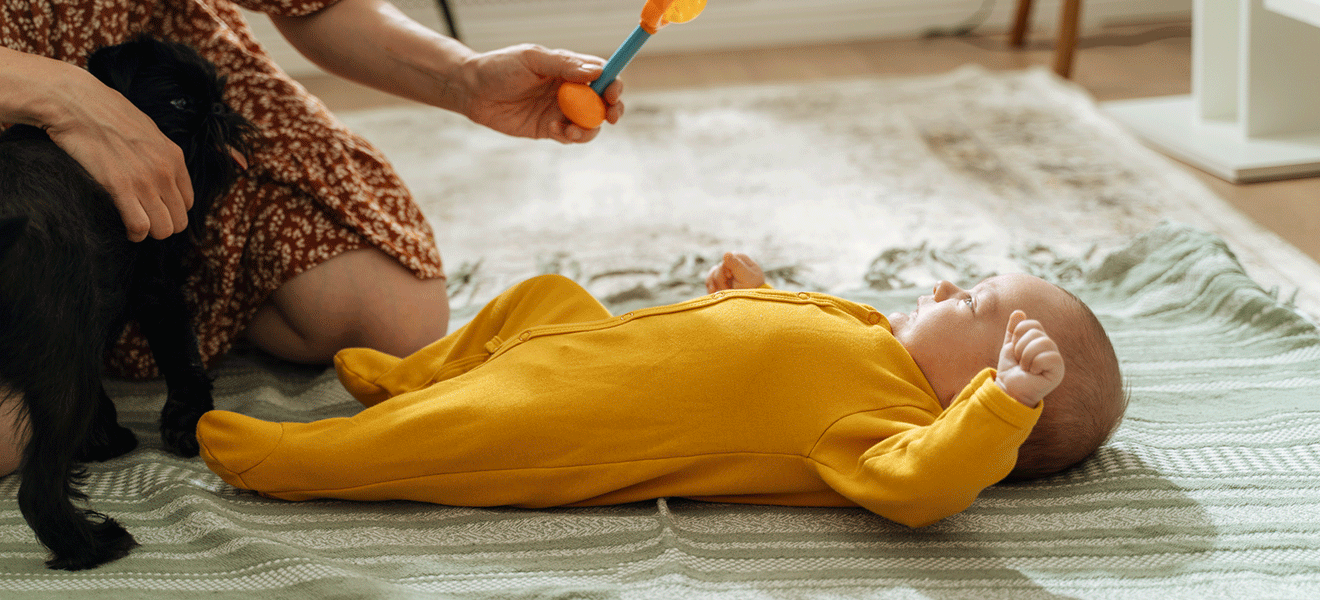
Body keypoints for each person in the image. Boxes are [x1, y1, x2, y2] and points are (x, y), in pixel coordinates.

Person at [0, 0, 623, 476]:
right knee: (12, 431)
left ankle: (107, 313)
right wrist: (62, 95)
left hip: (143, 52)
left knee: (388, 314)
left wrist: (464, 79)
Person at [196, 252, 1127, 528]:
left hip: (586, 415)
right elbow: (774, 342)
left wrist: (1003, 409)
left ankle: (301, 459)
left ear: (978, 382)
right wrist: (754, 295)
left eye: (970, 300)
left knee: (459, 434)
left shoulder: (892, 425)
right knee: (540, 296)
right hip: (596, 341)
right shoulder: (876, 335)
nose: (939, 288)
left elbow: (927, 489)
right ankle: (411, 371)